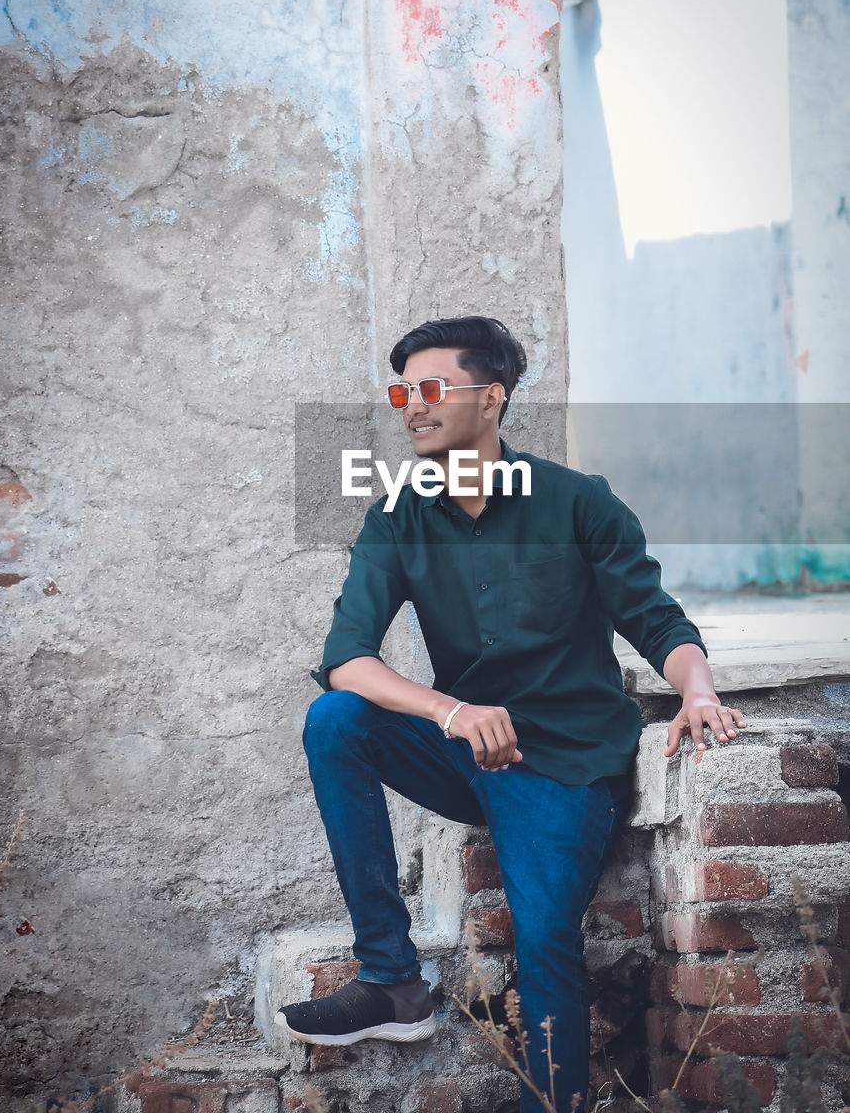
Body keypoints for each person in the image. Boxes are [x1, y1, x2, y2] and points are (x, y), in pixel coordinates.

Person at [278, 315, 745, 1112]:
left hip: (565, 760)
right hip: (466, 748)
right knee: (335, 722)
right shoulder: (398, 514)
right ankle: (391, 978)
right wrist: (450, 710)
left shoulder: (576, 504)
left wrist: (697, 690)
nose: (411, 408)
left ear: (491, 398)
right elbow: (345, 660)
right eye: (401, 393)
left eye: (430, 390)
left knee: (545, 939)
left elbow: (658, 621)